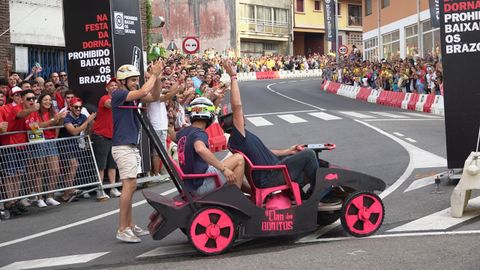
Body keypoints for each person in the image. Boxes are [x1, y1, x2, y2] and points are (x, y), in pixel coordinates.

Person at [221, 60, 319, 196]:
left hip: (272, 170)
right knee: (309, 154)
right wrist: (233, 77)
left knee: (310, 158)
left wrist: (288, 151)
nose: (244, 116)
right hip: (270, 176)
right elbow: (237, 106)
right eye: (241, 116)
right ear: (235, 122)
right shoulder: (238, 137)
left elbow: (264, 151)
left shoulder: (241, 139)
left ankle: (300, 196)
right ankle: (318, 194)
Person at [111, 61, 163, 243]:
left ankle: (129, 225)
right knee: (129, 186)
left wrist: (157, 79)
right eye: (132, 80)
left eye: (136, 79)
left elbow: (155, 96)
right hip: (122, 146)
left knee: (131, 186)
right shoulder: (118, 94)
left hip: (130, 146)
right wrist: (153, 75)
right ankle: (122, 228)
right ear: (122, 82)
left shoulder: (131, 96)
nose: (135, 82)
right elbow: (142, 92)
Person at [173, 97, 246, 196]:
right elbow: (200, 148)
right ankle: (235, 197)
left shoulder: (184, 131)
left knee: (224, 163)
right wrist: (223, 169)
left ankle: (239, 192)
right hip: (201, 185)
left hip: (190, 183)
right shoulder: (200, 133)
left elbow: (172, 135)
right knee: (239, 158)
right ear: (210, 115)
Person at [58, 97, 96, 202]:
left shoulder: (82, 116)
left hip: (74, 145)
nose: (78, 109)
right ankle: (69, 190)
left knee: (71, 169)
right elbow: (74, 131)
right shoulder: (67, 117)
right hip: (64, 144)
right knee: (73, 165)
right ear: (70, 107)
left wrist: (90, 124)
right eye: (76, 107)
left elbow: (90, 128)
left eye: (80, 107)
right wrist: (87, 121)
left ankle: (66, 194)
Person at [91, 78, 120, 198]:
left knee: (112, 165)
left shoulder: (118, 100)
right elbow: (108, 104)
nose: (114, 87)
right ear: (106, 88)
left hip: (112, 136)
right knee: (101, 165)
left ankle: (113, 188)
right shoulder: (104, 98)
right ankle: (100, 190)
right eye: (111, 85)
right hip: (101, 136)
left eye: (115, 85)